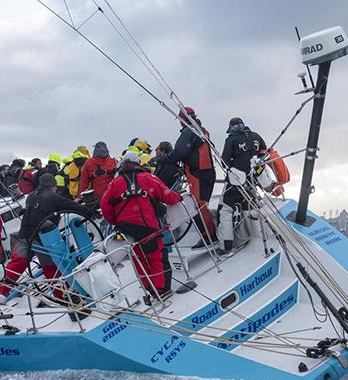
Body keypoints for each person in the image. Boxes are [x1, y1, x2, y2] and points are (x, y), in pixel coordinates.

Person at [0, 173, 90, 304]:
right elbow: (73, 206)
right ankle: (62, 296)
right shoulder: (53, 197)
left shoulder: (30, 196)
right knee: (51, 267)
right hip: (41, 237)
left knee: (17, 263)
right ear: (52, 187)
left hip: (24, 234)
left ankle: (1, 293)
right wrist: (89, 211)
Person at [101, 152, 182, 296]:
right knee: (157, 256)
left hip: (126, 229)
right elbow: (168, 196)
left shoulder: (114, 184)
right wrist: (179, 197)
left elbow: (105, 208)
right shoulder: (148, 178)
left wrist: (118, 221)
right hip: (147, 226)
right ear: (138, 163)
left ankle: (149, 288)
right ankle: (161, 290)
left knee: (139, 258)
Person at [155, 106, 217, 248]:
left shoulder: (189, 132)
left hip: (197, 174)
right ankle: (210, 235)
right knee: (202, 205)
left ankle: (210, 237)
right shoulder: (203, 131)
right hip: (208, 172)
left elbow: (179, 153)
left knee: (198, 205)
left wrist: (161, 160)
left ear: (183, 119)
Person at [217, 117, 268, 256]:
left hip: (235, 181)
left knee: (226, 211)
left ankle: (226, 246)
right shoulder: (256, 136)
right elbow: (264, 153)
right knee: (247, 207)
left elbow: (224, 162)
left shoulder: (231, 139)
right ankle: (247, 237)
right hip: (252, 180)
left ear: (231, 126)